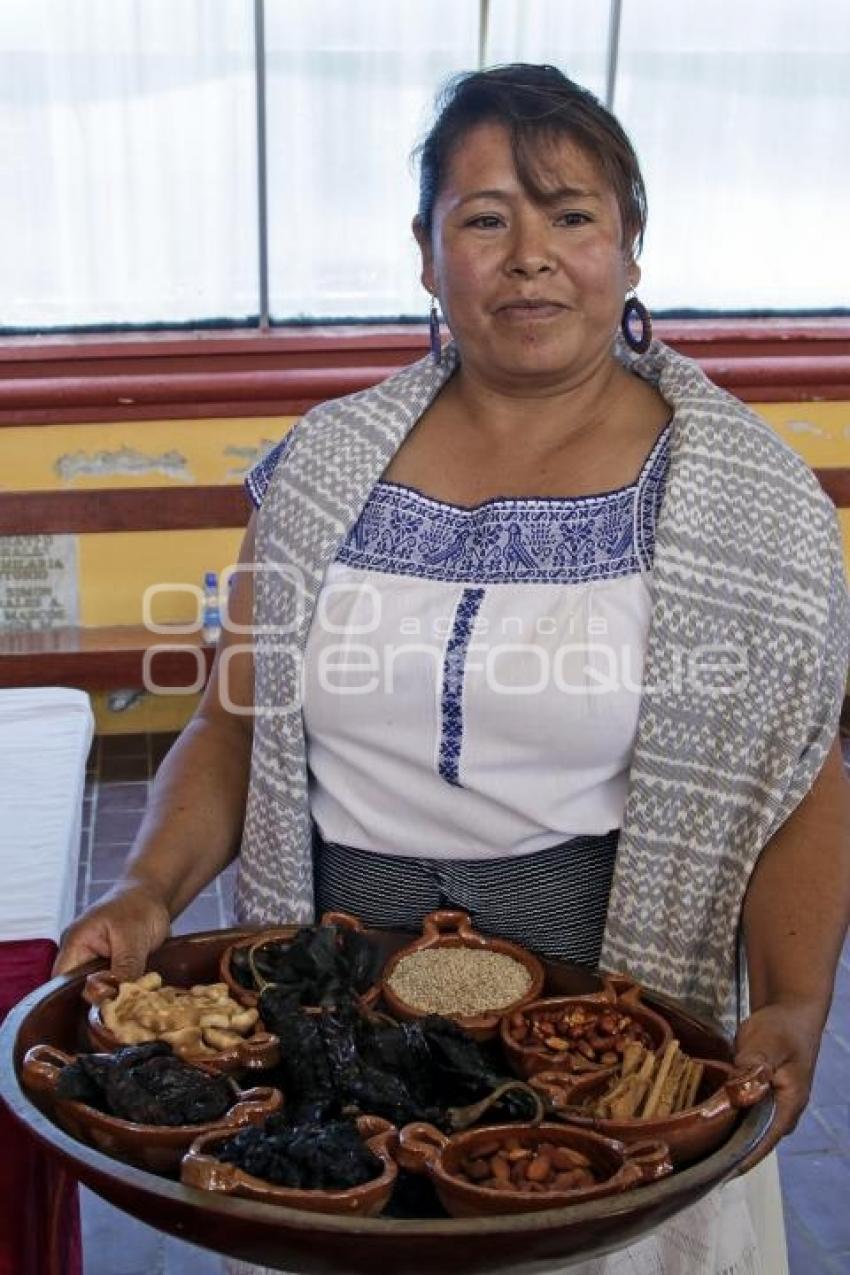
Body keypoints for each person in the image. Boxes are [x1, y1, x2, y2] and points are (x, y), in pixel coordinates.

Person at [56, 65, 850, 1274]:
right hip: (330, 1027)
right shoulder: (323, 470)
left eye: (570, 214)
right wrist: (149, 890)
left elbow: (796, 773)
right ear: (427, 259)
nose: (528, 254)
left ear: (630, 253)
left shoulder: (747, 507)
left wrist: (792, 1000)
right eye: (483, 217)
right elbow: (232, 725)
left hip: (596, 1037)